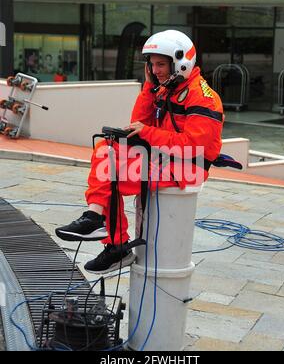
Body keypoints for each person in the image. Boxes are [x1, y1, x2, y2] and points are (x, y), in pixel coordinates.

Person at [55, 30, 224, 274]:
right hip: (164, 159)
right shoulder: (167, 88)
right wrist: (148, 88)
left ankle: (113, 242)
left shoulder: (203, 98)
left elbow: (193, 147)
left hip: (187, 168)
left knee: (109, 172)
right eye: (152, 65)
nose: (155, 70)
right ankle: (98, 222)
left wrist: (147, 133)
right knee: (106, 149)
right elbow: (137, 125)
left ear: (181, 62)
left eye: (161, 64)